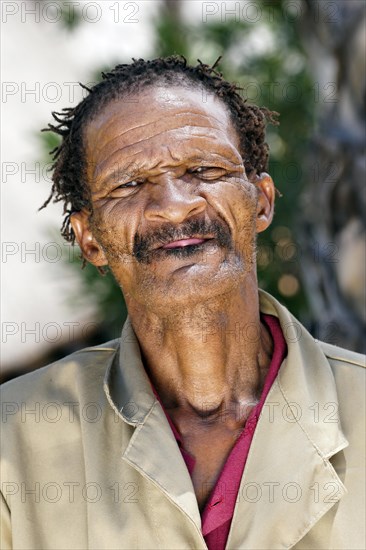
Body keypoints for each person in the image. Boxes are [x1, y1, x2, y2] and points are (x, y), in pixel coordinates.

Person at [1, 56, 365, 550]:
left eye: (204, 168)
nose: (174, 203)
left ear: (261, 200)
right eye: (129, 184)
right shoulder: (12, 441)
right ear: (89, 239)